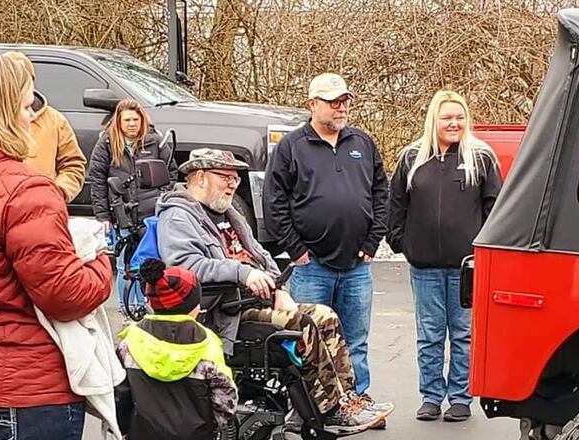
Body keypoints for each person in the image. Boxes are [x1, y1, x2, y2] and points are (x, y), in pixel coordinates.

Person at [156, 148, 393, 434]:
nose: (233, 184)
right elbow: (186, 265)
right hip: (222, 312)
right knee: (301, 325)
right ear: (200, 176)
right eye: (225, 177)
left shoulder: (229, 214)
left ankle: (346, 401)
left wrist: (278, 287)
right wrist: (241, 272)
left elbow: (260, 255)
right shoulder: (178, 217)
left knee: (325, 316)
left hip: (253, 301)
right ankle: (329, 409)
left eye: (236, 178)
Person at [0, 51, 112, 440]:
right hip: (22, 396)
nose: (33, 116)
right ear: (4, 110)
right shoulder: (24, 190)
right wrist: (101, 261)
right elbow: (65, 296)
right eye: (28, 106)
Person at [263, 73, 389, 399]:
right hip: (312, 265)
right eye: (333, 102)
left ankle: (356, 398)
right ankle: (318, 404)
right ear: (312, 104)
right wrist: (295, 248)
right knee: (311, 339)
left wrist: (373, 240)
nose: (341, 108)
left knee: (355, 339)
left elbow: (381, 193)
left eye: (344, 101)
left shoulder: (362, 143)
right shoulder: (291, 147)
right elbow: (274, 201)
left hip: (357, 265)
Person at [387, 90, 502, 422]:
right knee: (430, 334)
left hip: (467, 268)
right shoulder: (412, 158)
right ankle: (432, 396)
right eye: (447, 117)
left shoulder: (481, 158)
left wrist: (484, 249)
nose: (454, 123)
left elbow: (495, 208)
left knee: (464, 334)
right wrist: (401, 243)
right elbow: (396, 206)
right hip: (424, 266)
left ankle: (461, 398)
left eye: (460, 117)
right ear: (433, 120)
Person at [115, 258, 238, 440]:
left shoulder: (130, 341)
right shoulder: (207, 343)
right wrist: (217, 426)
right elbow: (225, 397)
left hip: (142, 433)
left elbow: (119, 394)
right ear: (193, 306)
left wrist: (124, 429)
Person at [88, 99, 178, 314]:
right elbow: (97, 180)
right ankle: (127, 310)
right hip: (122, 214)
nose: (131, 124)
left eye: (135, 120)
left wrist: (163, 199)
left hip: (151, 215)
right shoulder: (107, 144)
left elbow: (171, 173)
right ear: (118, 121)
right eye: (127, 120)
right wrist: (103, 216)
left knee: (150, 263)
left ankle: (148, 308)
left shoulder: (156, 141)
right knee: (124, 265)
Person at [4, 51, 87, 203]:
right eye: (9, 79)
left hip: (40, 211)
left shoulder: (55, 121)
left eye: (22, 78)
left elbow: (74, 165)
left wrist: (57, 192)